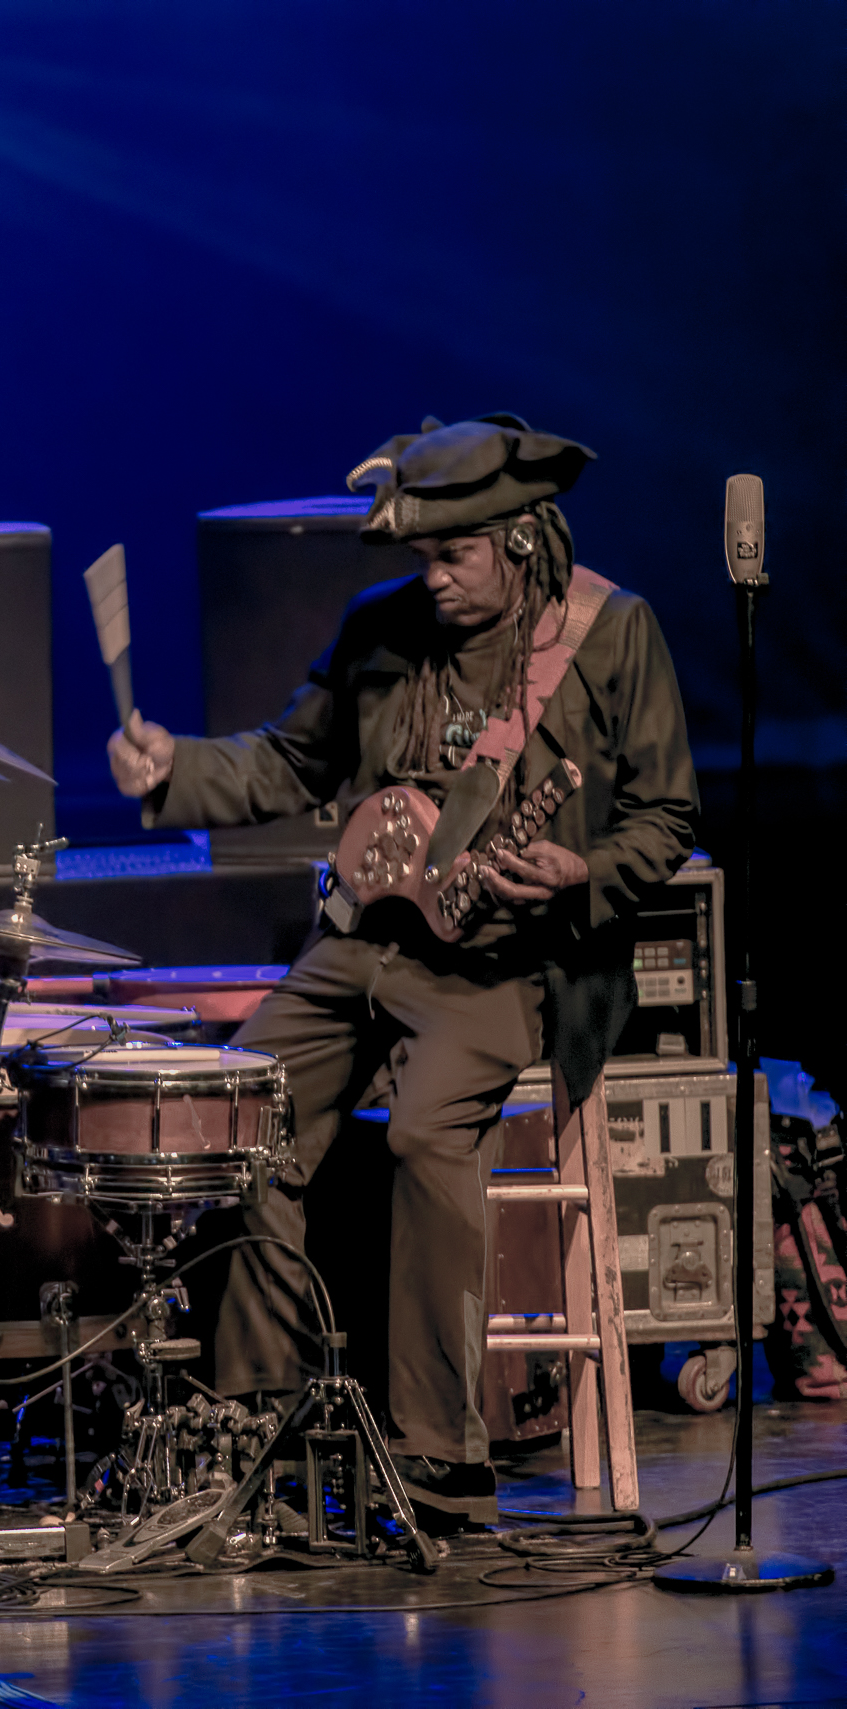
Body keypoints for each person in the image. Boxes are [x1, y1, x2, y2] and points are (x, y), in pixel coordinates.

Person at [106, 414, 696, 1527]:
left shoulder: (611, 633)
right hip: (361, 943)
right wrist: (174, 766)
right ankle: (255, 1420)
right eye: (421, 556)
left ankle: (439, 1454)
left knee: (429, 1131)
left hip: (504, 965)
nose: (430, 579)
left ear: (520, 541)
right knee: (240, 1109)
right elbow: (287, 758)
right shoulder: (380, 628)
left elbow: (670, 814)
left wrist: (581, 872)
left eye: (452, 556)